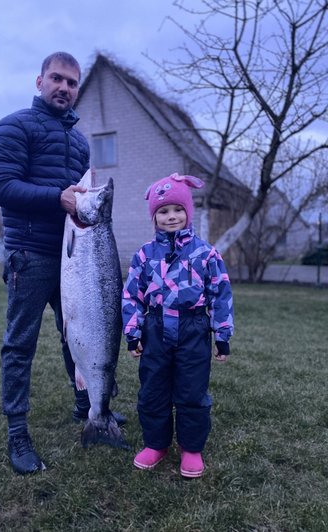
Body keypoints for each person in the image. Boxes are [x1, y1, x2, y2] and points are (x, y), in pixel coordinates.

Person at [0, 51, 125, 475]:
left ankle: (90, 409)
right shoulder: (13, 127)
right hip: (29, 255)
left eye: (71, 82)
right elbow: (0, 187)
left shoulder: (81, 142)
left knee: (80, 334)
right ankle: (17, 433)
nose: (64, 87)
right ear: (39, 81)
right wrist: (57, 198)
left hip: (77, 261)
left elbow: (79, 200)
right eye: (57, 79)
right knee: (20, 345)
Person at [122, 173, 234, 478]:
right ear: (154, 216)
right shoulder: (144, 255)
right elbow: (131, 294)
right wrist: (133, 333)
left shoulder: (206, 254)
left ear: (188, 212)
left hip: (194, 328)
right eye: (163, 211)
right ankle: (156, 444)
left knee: (192, 391)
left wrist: (222, 335)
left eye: (177, 210)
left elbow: (221, 294)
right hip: (156, 328)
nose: (171, 217)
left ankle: (191, 448)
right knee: (153, 389)